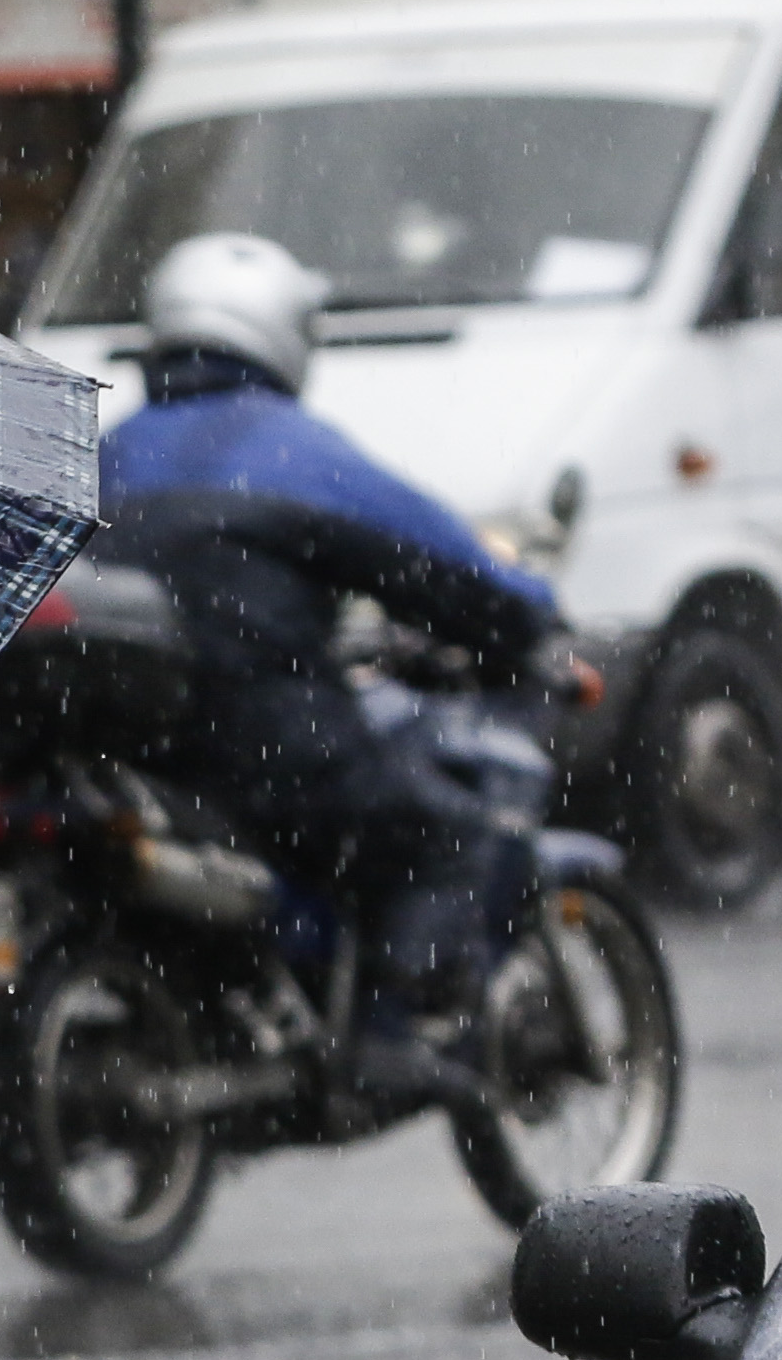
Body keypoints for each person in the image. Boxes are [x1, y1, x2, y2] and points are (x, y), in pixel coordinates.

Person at [98, 229, 561, 1086]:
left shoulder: (109, 452)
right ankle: (386, 1036)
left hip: (129, 758)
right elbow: (435, 560)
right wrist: (527, 615)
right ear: (278, 329)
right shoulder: (284, 447)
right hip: (260, 743)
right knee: (445, 832)